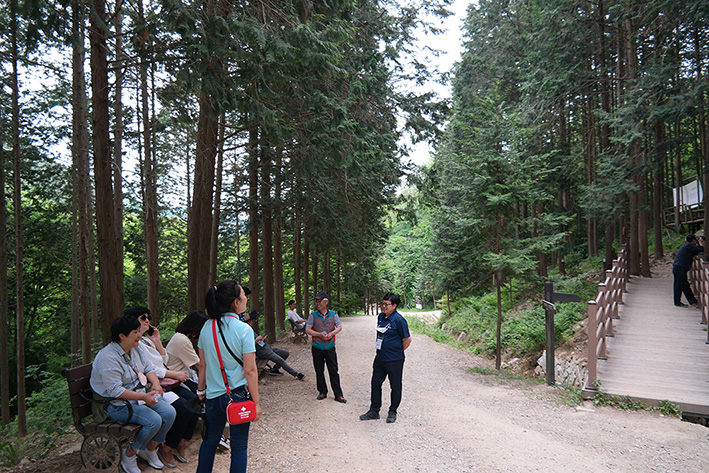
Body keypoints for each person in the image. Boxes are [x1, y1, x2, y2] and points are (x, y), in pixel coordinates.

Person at [90, 315, 176, 473]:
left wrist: (156, 385)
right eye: (135, 332)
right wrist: (144, 397)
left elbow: (149, 368)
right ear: (122, 336)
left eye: (139, 331)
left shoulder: (136, 348)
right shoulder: (108, 357)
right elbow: (116, 391)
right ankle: (129, 453)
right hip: (114, 404)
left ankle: (150, 448)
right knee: (154, 421)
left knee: (169, 413)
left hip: (139, 396)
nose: (139, 335)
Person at [196, 281, 261, 473]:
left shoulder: (206, 327)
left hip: (214, 397)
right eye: (243, 294)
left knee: (209, 442)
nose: (246, 298)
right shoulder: (244, 330)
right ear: (235, 302)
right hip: (238, 396)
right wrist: (256, 403)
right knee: (239, 448)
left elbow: (203, 365)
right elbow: (250, 370)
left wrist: (200, 391)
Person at [125, 307, 201, 467]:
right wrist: (174, 374)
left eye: (148, 317)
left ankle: (179, 441)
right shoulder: (136, 343)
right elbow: (149, 369)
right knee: (184, 408)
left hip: (165, 382)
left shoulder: (146, 341)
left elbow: (163, 359)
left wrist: (157, 341)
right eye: (143, 317)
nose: (147, 320)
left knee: (195, 401)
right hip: (154, 386)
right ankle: (166, 446)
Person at [359, 292, 411, 424]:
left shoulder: (399, 320)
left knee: (395, 386)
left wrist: (396, 351)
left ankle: (393, 411)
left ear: (394, 305)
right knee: (375, 383)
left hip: (394, 359)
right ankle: (374, 410)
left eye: (387, 304)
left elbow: (407, 339)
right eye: (382, 303)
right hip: (380, 358)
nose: (384, 306)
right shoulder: (381, 317)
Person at [305, 291, 346, 403]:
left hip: (330, 347)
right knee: (319, 370)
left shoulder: (333, 314)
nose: (318, 303)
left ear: (326, 302)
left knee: (334, 370)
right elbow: (307, 329)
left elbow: (339, 326)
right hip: (317, 347)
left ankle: (338, 394)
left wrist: (332, 334)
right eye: (316, 301)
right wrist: (319, 334)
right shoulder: (312, 315)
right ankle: (322, 391)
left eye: (320, 301)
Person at [166, 310, 209, 392]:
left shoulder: (180, 337)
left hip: (180, 376)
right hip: (176, 378)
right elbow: (200, 365)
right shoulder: (182, 340)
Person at [673, 234, 704, 307]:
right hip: (679, 268)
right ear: (693, 240)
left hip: (679, 268)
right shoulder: (689, 246)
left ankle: (692, 300)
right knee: (679, 285)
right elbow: (701, 249)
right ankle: (677, 302)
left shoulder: (687, 246)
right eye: (696, 240)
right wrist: (700, 243)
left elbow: (696, 251)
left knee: (685, 285)